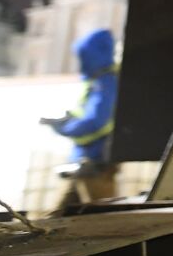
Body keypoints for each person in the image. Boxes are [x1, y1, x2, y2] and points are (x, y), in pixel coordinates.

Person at [39, 29, 120, 212]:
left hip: (96, 161)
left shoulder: (106, 82)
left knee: (103, 217)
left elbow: (96, 121)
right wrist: (63, 120)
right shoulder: (98, 81)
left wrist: (64, 128)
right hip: (83, 160)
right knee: (59, 215)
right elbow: (86, 113)